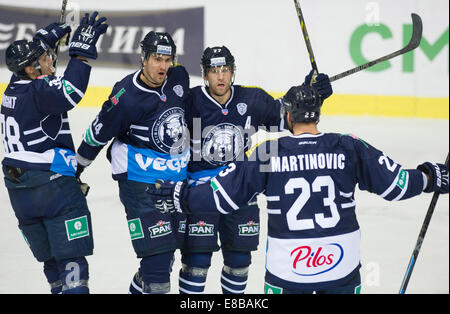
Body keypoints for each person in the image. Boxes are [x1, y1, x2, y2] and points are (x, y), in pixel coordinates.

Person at [147, 82, 449, 294]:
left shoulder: (269, 152)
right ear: (318, 114)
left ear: (288, 115)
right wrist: (431, 176)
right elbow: (397, 185)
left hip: (289, 269)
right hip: (340, 265)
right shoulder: (348, 146)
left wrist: (181, 196)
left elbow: (223, 196)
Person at [175, 46, 333, 294]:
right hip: (201, 193)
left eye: (225, 70)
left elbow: (290, 118)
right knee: (196, 263)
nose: (220, 77)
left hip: (240, 190)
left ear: (233, 72)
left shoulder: (252, 99)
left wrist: (312, 94)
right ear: (205, 75)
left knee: (239, 263)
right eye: (214, 71)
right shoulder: (191, 101)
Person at [1, 12, 108, 294]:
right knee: (72, 260)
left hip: (19, 191)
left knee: (51, 262)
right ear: (31, 69)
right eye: (45, 58)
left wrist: (44, 39)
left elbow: (35, 68)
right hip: (51, 188)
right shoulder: (40, 90)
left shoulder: (14, 87)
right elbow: (71, 92)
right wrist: (81, 54)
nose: (51, 61)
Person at [75, 31, 190, 294]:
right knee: (159, 266)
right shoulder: (126, 97)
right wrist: (77, 168)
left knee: (162, 258)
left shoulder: (178, 77)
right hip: (139, 182)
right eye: (157, 59)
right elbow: (97, 133)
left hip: (174, 180)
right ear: (143, 58)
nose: (163, 66)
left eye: (167, 59)